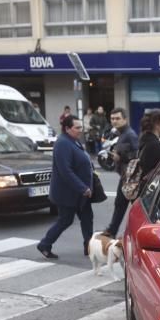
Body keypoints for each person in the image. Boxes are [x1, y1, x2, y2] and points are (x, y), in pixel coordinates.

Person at [36, 115, 94, 259]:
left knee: (87, 217)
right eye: (77, 128)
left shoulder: (73, 141)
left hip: (80, 192)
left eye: (81, 127)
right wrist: (83, 188)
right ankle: (45, 244)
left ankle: (89, 247)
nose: (81, 130)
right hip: (69, 192)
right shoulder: (62, 143)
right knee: (65, 220)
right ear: (67, 128)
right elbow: (65, 171)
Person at [100, 107, 139, 238]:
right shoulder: (121, 133)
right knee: (120, 204)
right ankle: (112, 230)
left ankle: (117, 232)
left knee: (136, 208)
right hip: (125, 176)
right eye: (112, 119)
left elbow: (137, 155)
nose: (114, 121)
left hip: (131, 178)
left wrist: (121, 158)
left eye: (117, 118)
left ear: (125, 119)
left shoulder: (130, 135)